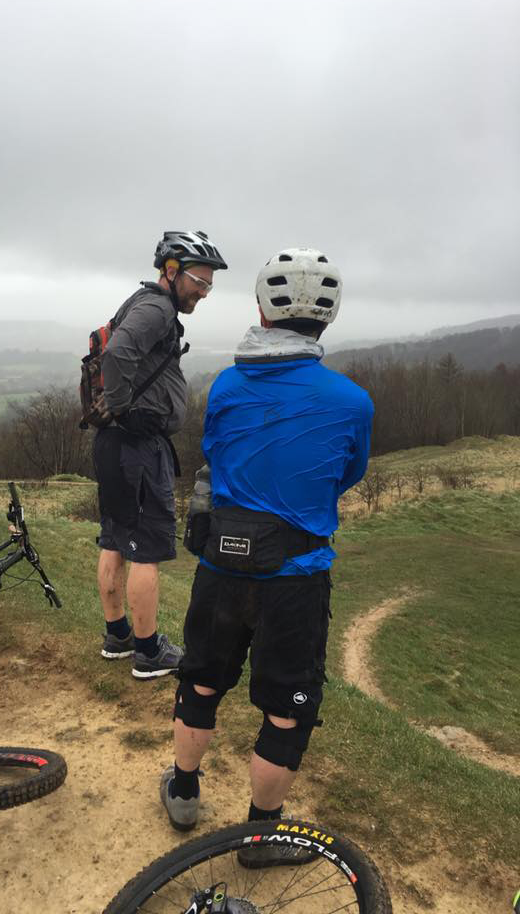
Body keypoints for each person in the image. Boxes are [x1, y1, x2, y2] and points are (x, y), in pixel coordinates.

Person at [160, 248, 374, 857]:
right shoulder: (353, 402)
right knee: (286, 710)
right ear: (328, 317)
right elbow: (347, 474)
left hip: (220, 565)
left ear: (262, 310)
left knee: (202, 681)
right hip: (296, 576)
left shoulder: (227, 385)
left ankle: (182, 792)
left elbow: (216, 453)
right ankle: (261, 834)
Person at [94, 230, 228, 680]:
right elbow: (117, 354)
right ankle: (149, 651)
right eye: (199, 281)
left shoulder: (142, 302)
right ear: (171, 270)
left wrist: (117, 414)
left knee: (115, 539)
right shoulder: (157, 308)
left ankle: (118, 636)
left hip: (115, 445)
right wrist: (123, 410)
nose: (203, 292)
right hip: (136, 446)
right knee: (146, 548)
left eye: (209, 285)